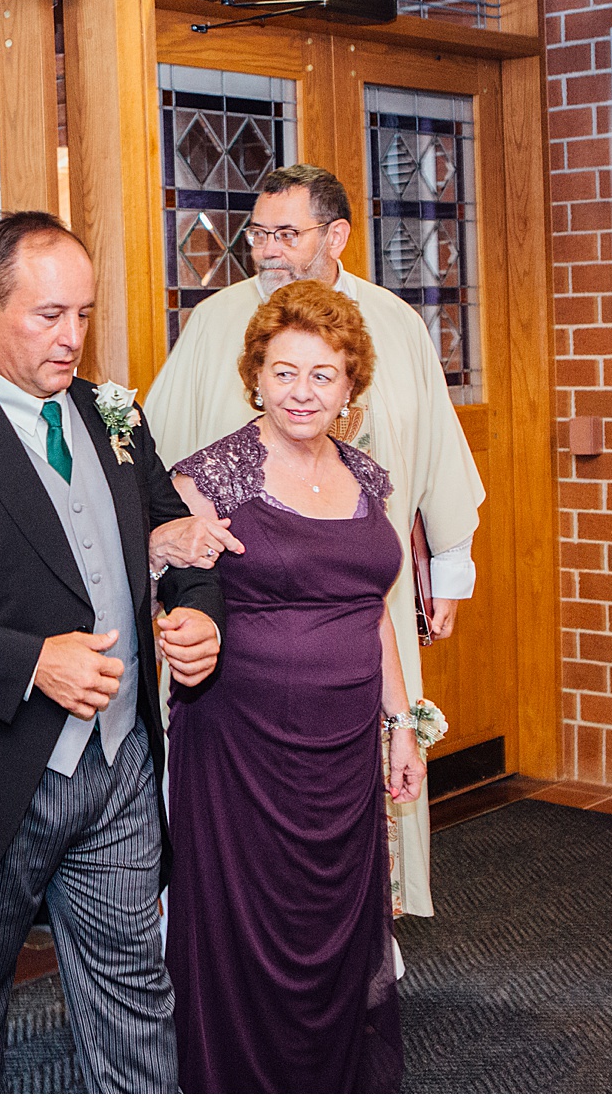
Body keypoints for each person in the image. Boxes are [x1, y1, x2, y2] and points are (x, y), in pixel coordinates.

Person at [0, 211, 227, 1093]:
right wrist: (29, 663)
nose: (71, 338)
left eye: (84, 316)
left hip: (122, 766)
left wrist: (200, 614)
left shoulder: (114, 415)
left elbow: (177, 536)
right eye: (48, 316)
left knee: (135, 993)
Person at [143, 163, 483, 921]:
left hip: (362, 598)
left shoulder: (393, 322)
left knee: (358, 794)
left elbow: (432, 446)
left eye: (286, 234)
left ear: (336, 237)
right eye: (257, 234)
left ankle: (365, 920)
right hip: (245, 608)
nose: (266, 250)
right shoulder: (215, 322)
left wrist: (449, 567)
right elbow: (153, 458)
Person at [166, 282, 421, 1093]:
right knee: (251, 921)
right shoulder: (210, 477)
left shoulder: (370, 479)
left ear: (350, 385)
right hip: (239, 744)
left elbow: (374, 615)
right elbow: (174, 593)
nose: (301, 392)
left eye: (322, 374)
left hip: (345, 747)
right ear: (255, 377)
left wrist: (404, 724)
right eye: (283, 372)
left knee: (337, 916)